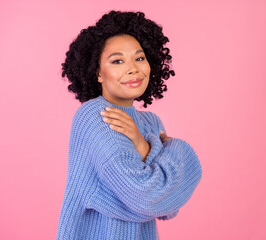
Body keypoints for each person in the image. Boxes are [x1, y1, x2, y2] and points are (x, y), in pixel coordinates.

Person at [56, 10, 202, 240]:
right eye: (117, 61)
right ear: (98, 73)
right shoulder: (95, 115)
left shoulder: (151, 122)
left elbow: (168, 206)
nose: (133, 68)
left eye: (140, 58)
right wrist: (174, 148)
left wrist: (142, 144)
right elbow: (147, 197)